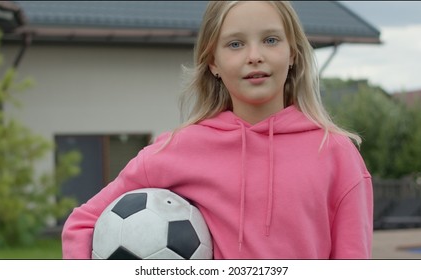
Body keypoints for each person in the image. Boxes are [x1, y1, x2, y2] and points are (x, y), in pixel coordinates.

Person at [62, 1, 373, 259]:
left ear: (292, 53)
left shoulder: (336, 154)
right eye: (235, 44)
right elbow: (83, 223)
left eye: (271, 40)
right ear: (213, 62)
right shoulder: (179, 149)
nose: (255, 55)